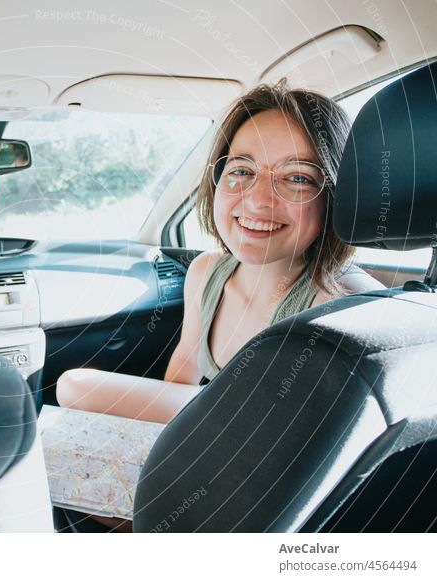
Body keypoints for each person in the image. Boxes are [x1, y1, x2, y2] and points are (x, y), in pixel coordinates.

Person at [57, 81, 385, 426]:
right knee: (72, 386)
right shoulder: (205, 272)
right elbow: (182, 372)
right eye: (242, 171)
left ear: (337, 196)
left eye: (298, 178)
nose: (258, 200)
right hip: (209, 440)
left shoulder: (346, 306)